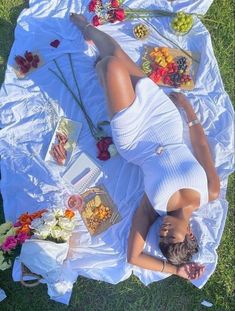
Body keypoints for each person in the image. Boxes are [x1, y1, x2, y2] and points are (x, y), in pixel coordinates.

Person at [70, 13, 220, 280]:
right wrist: (187, 109)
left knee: (112, 65)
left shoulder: (155, 205)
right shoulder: (209, 191)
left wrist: (177, 271)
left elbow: (134, 256)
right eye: (170, 234)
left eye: (161, 235)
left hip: (136, 138)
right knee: (113, 51)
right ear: (189, 233)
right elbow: (201, 146)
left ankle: (104, 73)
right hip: (166, 122)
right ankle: (86, 29)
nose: (162, 229)